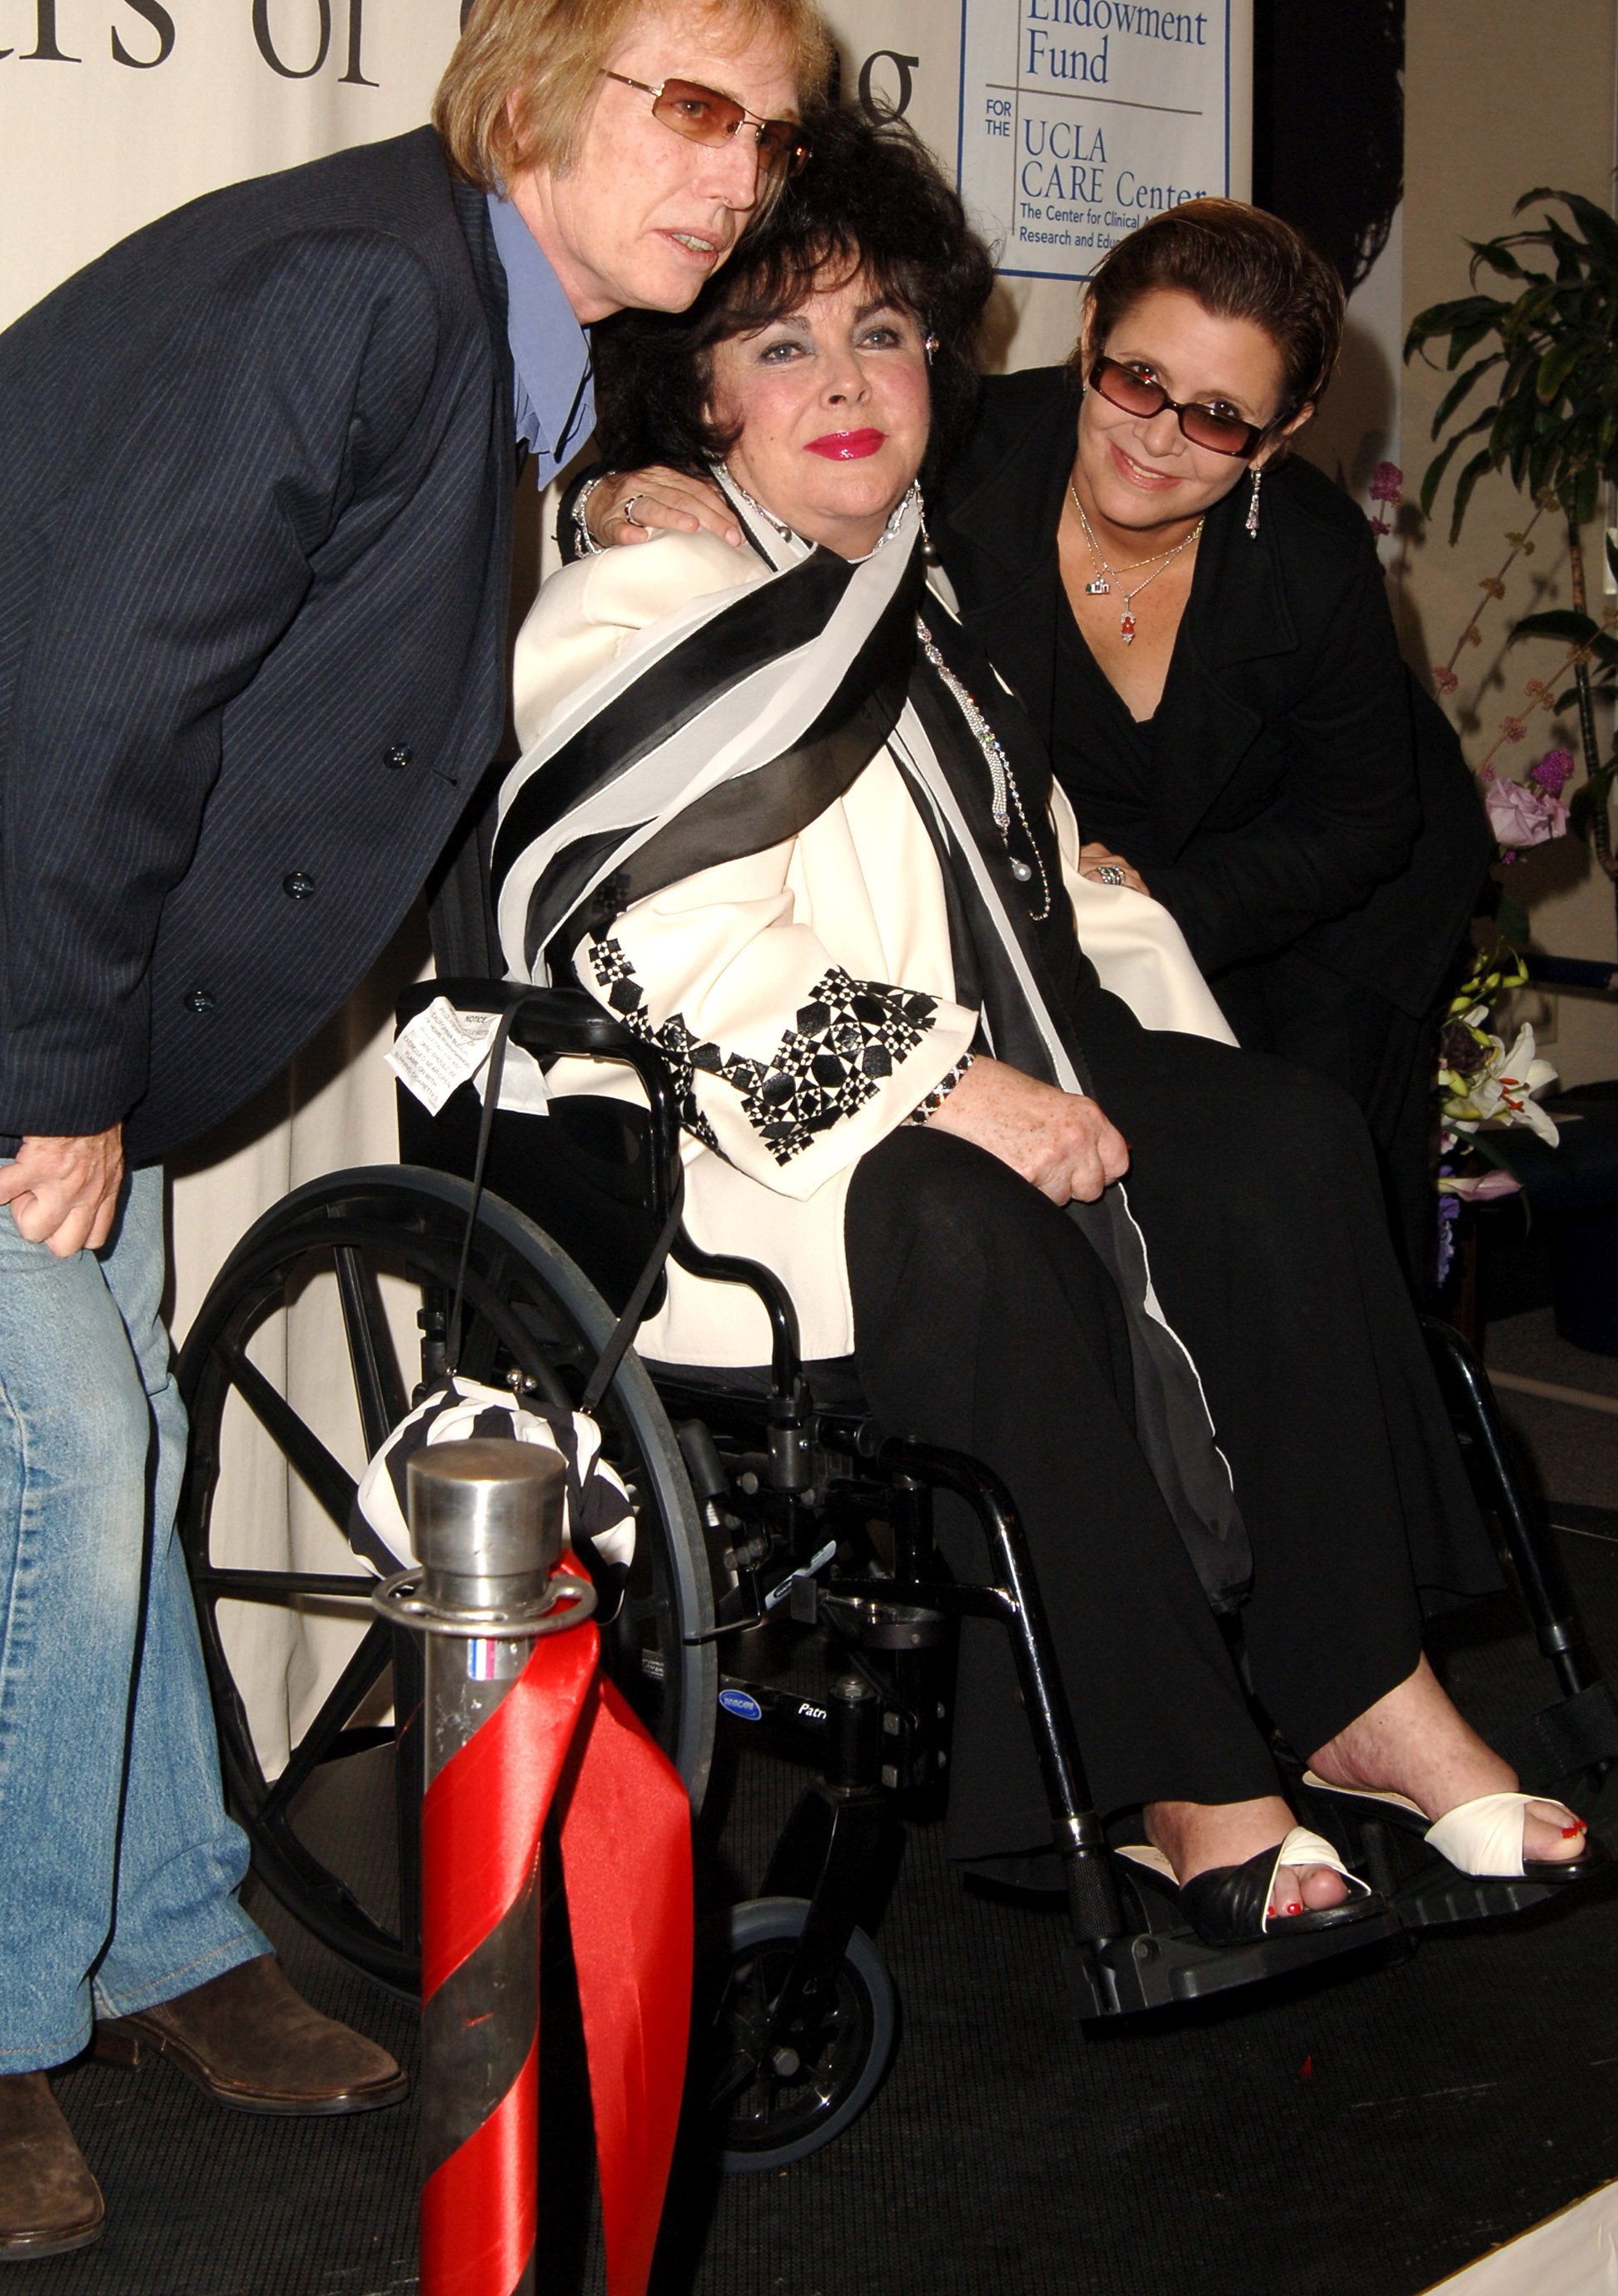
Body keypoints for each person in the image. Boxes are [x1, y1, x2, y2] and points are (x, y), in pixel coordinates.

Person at [0, 0, 826, 2263]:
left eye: (773, 133)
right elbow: (105, 695)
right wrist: (57, 1069)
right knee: (69, 1443)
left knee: (119, 1422)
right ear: (534, 90)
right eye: (691, 107)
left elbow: (372, 713)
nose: (739, 174)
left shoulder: (472, 330)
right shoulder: (364, 294)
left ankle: (165, 1945)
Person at [498, 107, 1590, 1979]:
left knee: (1277, 1139)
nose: (845, 384)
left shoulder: (913, 589)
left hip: (985, 1045)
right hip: (767, 1134)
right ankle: (1181, 1780)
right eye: (782, 345)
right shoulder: (643, 596)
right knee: (975, 1218)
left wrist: (1140, 1030)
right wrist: (955, 1081)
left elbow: (1050, 880)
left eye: (882, 337)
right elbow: (653, 937)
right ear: (707, 401)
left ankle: (1358, 1690)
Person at [574, 199, 1490, 1293]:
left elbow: (1362, 822)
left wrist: (1160, 896)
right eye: (1136, 379)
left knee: (1308, 1156)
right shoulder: (954, 449)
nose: (1157, 437)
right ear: (1088, 330)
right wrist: (610, 494)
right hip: (1083, 890)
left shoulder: (1310, 557)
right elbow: (738, 451)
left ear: (1277, 435)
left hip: (1323, 889)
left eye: (1217, 417)